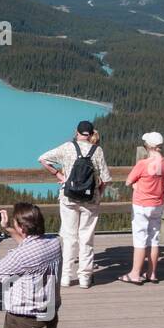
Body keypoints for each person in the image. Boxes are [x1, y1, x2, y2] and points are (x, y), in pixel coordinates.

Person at [37, 120, 111, 289]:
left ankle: (65, 277)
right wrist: (99, 192)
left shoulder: (67, 147)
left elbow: (42, 158)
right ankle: (85, 278)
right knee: (86, 238)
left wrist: (60, 176)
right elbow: (105, 178)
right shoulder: (97, 150)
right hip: (90, 200)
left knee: (69, 238)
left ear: (76, 132)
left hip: (69, 198)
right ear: (91, 134)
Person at [121, 132, 164, 285]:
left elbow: (128, 182)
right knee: (154, 239)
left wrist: (137, 186)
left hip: (142, 204)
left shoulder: (142, 164)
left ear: (148, 146)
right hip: (157, 204)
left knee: (140, 239)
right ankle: (152, 273)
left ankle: (135, 274)